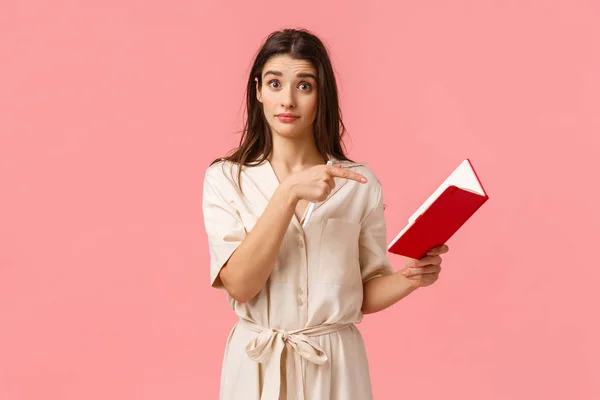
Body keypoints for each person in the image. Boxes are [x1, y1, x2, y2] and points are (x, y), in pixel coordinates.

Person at [202, 28, 448, 400]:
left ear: (322, 96)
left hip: (337, 367)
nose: (287, 100)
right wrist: (287, 195)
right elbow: (240, 284)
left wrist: (412, 278)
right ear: (258, 91)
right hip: (256, 367)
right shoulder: (225, 178)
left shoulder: (359, 183)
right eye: (274, 83)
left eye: (304, 86)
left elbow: (362, 293)